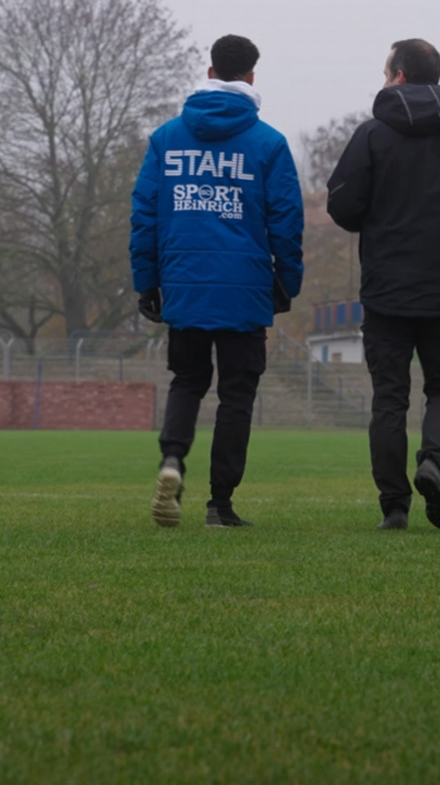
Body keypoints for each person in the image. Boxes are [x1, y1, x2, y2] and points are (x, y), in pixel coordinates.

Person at [326, 39, 440, 531]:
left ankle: (395, 506)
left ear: (399, 76)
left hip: (386, 291)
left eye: (386, 71)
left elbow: (341, 206)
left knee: (390, 398)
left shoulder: (371, 137)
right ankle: (435, 460)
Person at [130, 34, 304, 529]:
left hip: (183, 284)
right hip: (245, 288)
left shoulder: (167, 138)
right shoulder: (268, 143)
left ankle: (172, 462)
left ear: (210, 73)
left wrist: (148, 281)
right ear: (251, 77)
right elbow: (286, 221)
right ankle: (219, 504)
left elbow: (145, 215)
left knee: (187, 381)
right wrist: (286, 282)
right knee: (236, 395)